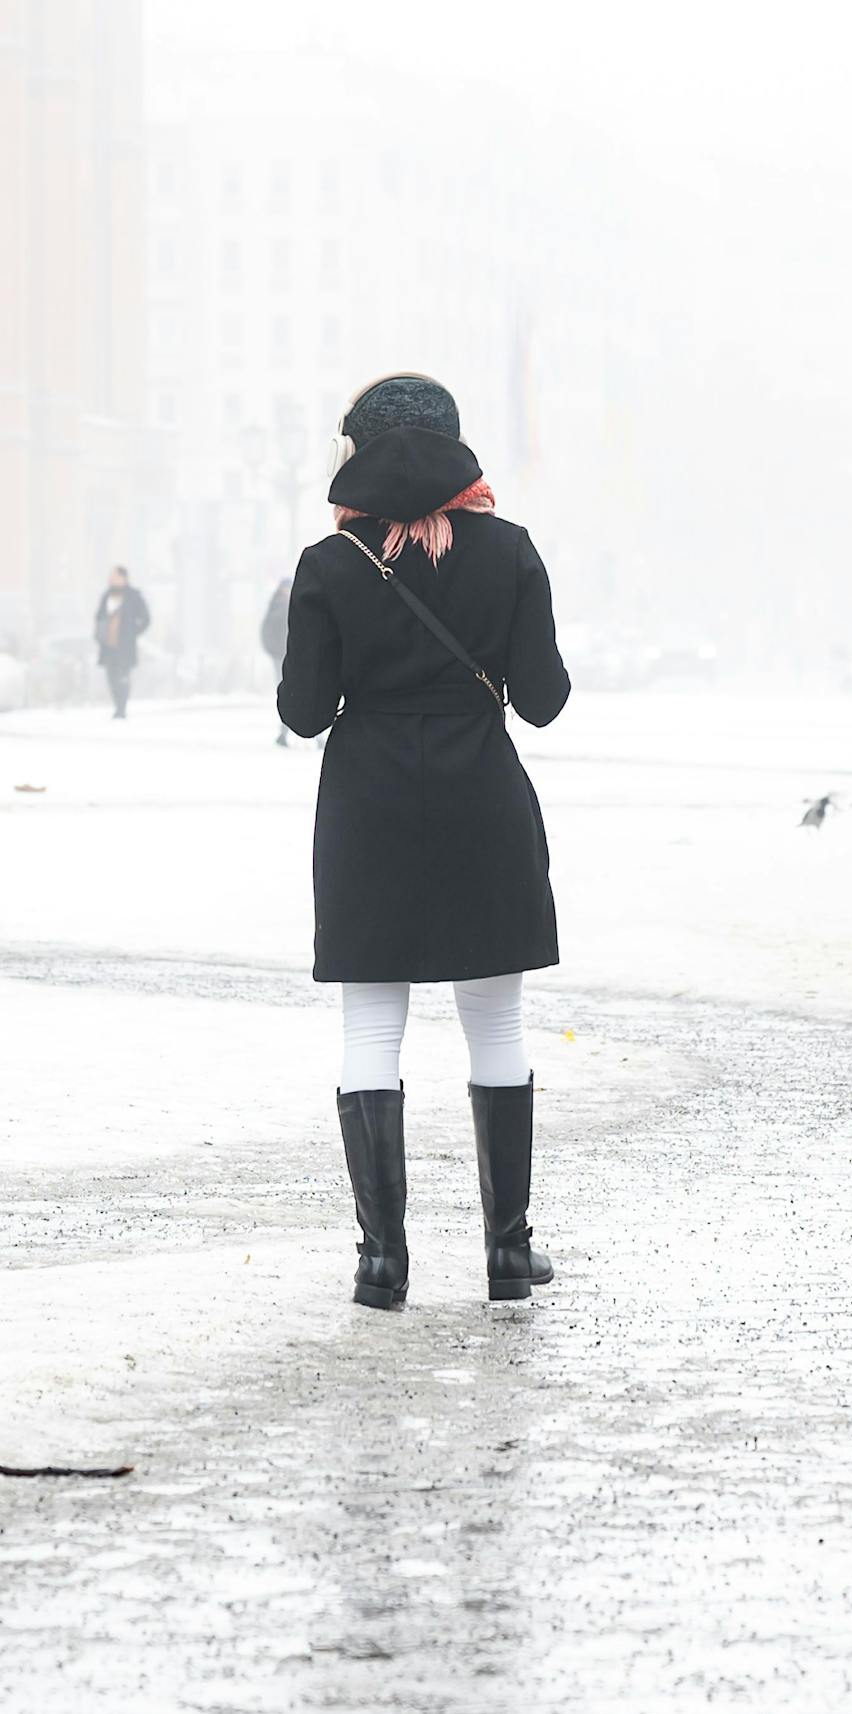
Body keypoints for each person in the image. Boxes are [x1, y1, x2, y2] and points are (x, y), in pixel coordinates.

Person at [277, 372, 571, 1309]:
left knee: (372, 1027)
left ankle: (382, 1261)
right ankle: (507, 1253)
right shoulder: (512, 552)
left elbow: (305, 711)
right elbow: (544, 701)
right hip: (480, 802)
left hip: (368, 811)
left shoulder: (328, 567)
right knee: (494, 1022)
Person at [93, 566, 150, 719]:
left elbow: (145, 619)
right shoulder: (107, 595)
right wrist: (99, 635)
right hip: (109, 646)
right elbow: (99, 617)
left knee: (123, 676)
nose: (111, 578)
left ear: (123, 578)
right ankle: (117, 705)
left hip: (125, 646)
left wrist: (133, 633)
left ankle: (121, 708)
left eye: (114, 576)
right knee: (111, 677)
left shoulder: (133, 596)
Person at [260, 578, 291, 746]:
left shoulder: (274, 606)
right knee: (291, 693)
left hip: (280, 656)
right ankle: (284, 732)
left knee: (287, 694)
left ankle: (284, 732)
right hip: (284, 656)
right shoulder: (285, 607)